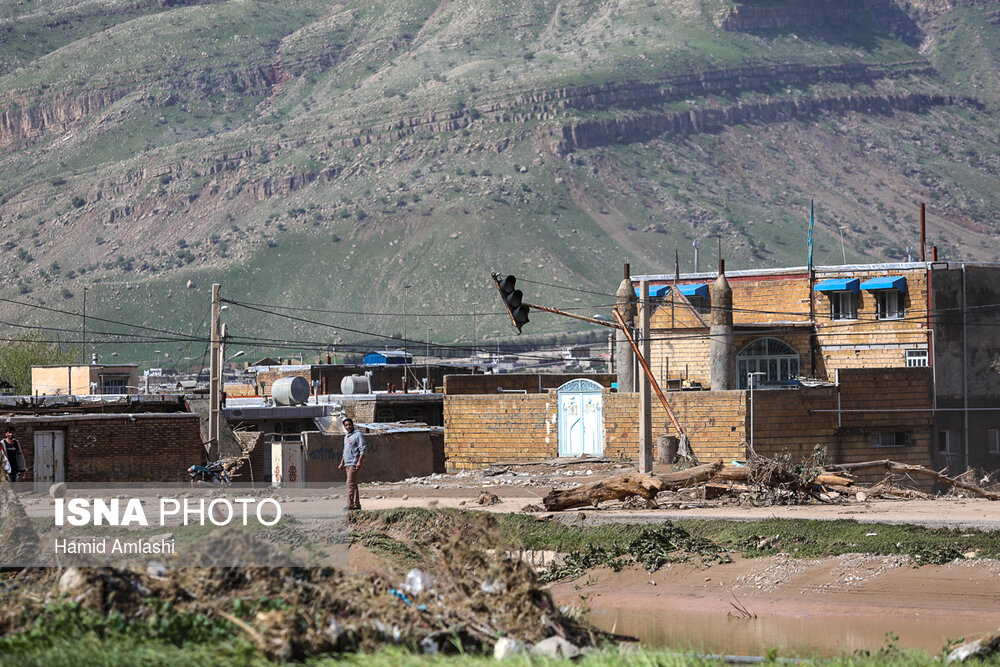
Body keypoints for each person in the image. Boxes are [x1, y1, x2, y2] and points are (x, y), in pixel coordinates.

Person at [337, 417, 366, 511]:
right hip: (347, 464)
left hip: (354, 463)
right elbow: (345, 451)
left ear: (352, 425)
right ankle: (356, 505)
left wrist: (359, 461)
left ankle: (349, 505)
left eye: (349, 424)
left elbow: (363, 448)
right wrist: (342, 463)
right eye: (346, 425)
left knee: (349, 484)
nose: (348, 426)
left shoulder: (358, 435)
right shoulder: (346, 437)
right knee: (354, 484)